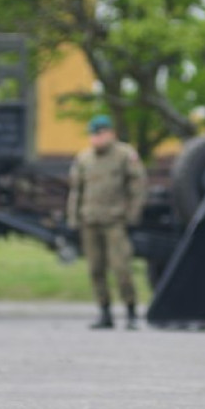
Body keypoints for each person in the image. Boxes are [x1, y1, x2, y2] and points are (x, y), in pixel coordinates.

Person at [66, 114, 147, 330]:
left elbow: (137, 187)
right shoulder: (84, 159)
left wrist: (132, 215)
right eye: (93, 134)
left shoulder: (124, 155)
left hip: (114, 220)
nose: (96, 138)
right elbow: (76, 191)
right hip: (90, 220)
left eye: (100, 134)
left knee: (121, 268)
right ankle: (104, 312)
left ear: (111, 133)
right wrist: (73, 218)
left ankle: (131, 311)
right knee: (95, 269)